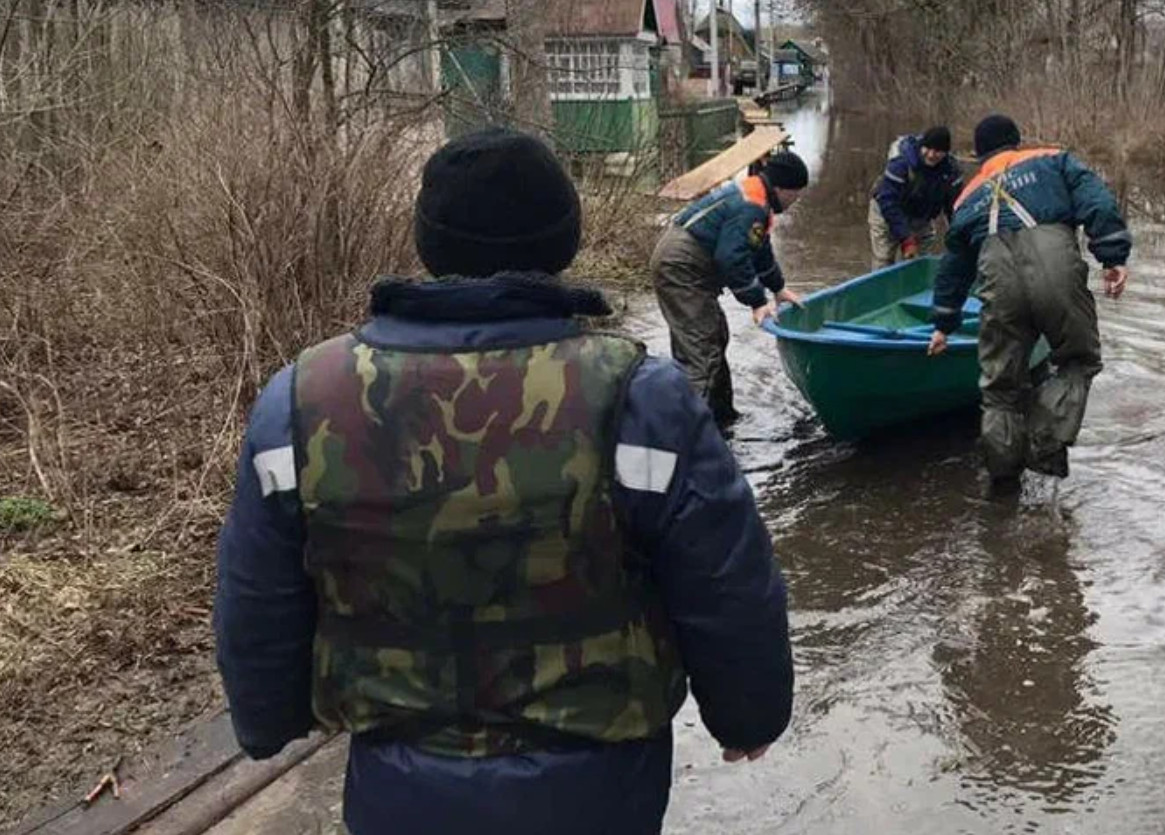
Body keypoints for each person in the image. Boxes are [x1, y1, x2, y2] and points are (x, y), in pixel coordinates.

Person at [213, 127, 793, 835]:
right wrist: (748, 713)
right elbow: (725, 577)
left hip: (397, 784)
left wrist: (266, 719)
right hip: (598, 785)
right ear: (563, 243)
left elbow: (257, 590)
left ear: (428, 243)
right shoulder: (642, 399)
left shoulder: (299, 400)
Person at [926, 114, 1132, 489]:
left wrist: (943, 323)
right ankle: (1044, 440)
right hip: (1054, 264)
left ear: (979, 153)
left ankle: (1003, 480)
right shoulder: (1054, 159)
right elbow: (1097, 202)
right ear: (1016, 141)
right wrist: (1113, 256)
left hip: (996, 278)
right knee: (1078, 361)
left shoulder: (967, 194)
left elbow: (953, 268)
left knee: (999, 388)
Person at [650, 151, 808, 425]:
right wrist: (757, 301)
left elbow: (758, 248)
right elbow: (731, 257)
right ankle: (688, 435)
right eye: (795, 194)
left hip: (685, 263)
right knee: (701, 352)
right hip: (681, 267)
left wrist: (778, 288)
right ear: (781, 188)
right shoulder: (752, 205)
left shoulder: (757, 195)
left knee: (715, 336)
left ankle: (722, 419)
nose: (795, 201)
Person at [868, 126, 964, 270]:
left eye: (938, 151)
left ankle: (906, 289)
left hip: (921, 217)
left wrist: (961, 240)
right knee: (884, 259)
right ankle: (880, 289)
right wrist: (906, 239)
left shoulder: (951, 173)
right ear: (921, 146)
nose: (931, 155)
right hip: (886, 212)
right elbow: (889, 204)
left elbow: (954, 209)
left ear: (946, 153)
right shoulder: (900, 164)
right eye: (928, 149)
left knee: (916, 264)